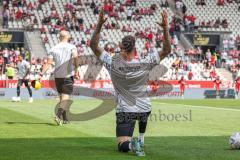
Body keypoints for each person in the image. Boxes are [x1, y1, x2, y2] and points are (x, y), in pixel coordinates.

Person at [90, 9, 171, 156]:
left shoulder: (112, 62)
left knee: (122, 146)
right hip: (145, 108)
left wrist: (99, 25)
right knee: (144, 110)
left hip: (126, 110)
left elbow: (93, 46)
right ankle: (141, 139)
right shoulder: (145, 62)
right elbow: (166, 50)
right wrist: (165, 28)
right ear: (135, 49)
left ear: (121, 47)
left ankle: (132, 144)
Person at [42, 30, 79, 125]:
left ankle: (65, 118)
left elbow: (49, 63)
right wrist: (76, 72)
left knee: (62, 97)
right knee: (65, 97)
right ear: (68, 37)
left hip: (57, 76)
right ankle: (58, 116)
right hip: (67, 75)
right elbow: (76, 59)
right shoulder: (72, 47)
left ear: (59, 38)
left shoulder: (53, 48)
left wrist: (41, 73)